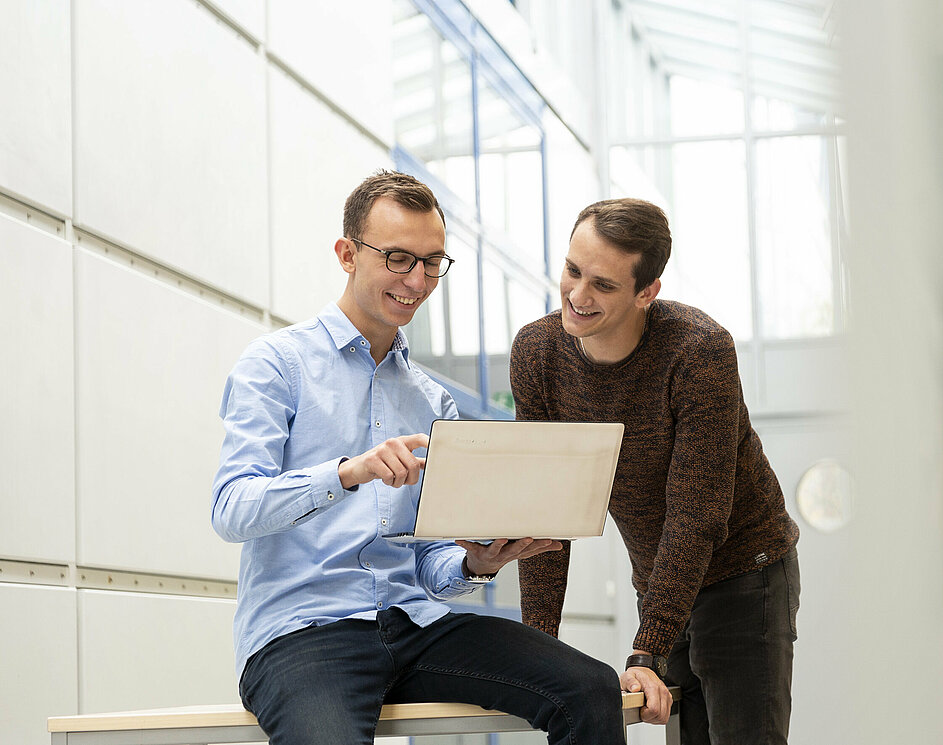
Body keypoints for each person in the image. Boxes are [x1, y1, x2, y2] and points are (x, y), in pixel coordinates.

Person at [212, 171, 624, 745]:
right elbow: (231, 509)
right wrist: (347, 473)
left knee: (589, 688)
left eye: (433, 262)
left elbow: (430, 560)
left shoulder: (433, 400)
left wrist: (477, 564)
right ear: (347, 254)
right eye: (399, 258)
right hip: (303, 634)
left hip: (414, 626)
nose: (418, 280)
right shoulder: (275, 365)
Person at [510, 198, 802, 745]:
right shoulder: (538, 352)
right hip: (659, 579)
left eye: (602, 284)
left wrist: (647, 648)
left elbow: (698, 514)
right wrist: (537, 650)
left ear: (648, 292)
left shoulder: (697, 351)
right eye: (573, 270)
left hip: (745, 572)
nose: (576, 296)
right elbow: (545, 512)